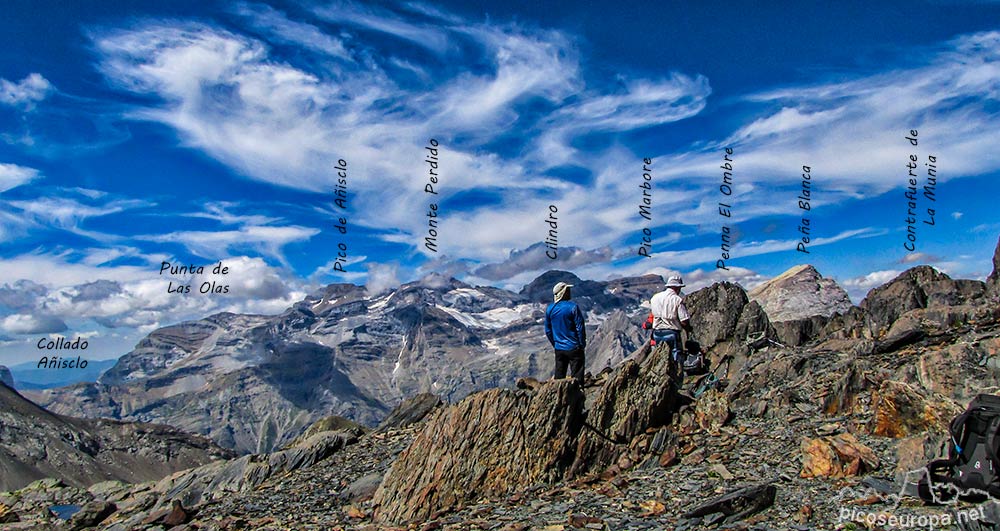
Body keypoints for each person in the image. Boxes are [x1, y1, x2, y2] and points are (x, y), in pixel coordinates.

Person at [646, 275, 693, 373]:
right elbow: (684, 320)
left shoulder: (655, 298)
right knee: (675, 356)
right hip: (672, 332)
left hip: (657, 333)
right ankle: (676, 374)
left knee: (659, 356)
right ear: (677, 287)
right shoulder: (677, 300)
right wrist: (688, 329)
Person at [544, 281, 586, 384]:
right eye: (567, 290)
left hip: (559, 349)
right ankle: (577, 395)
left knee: (559, 375)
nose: (570, 292)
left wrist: (555, 344)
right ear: (563, 292)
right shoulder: (573, 307)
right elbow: (580, 328)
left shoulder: (550, 309)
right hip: (574, 347)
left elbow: (548, 330)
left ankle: (557, 396)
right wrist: (581, 344)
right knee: (577, 376)